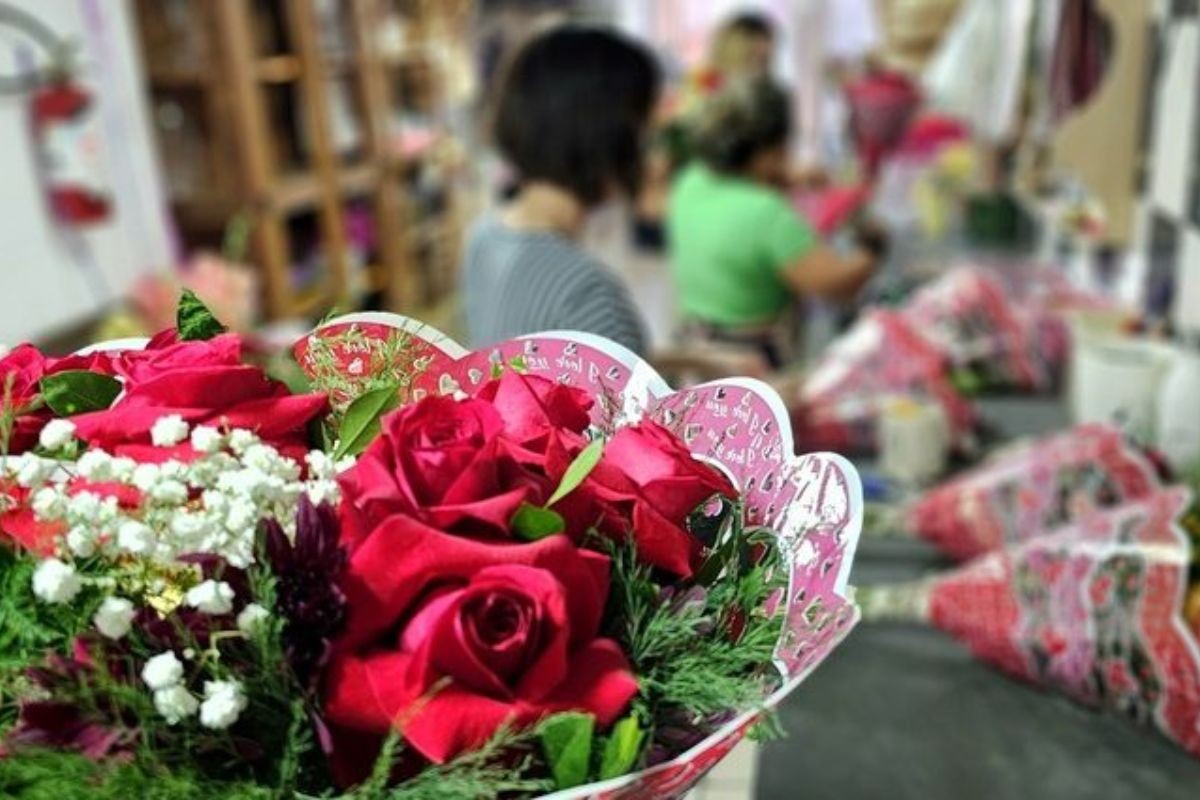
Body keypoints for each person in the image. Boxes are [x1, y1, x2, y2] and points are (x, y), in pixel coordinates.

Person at [461, 25, 656, 355]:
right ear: (612, 136)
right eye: (644, 131)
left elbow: (548, 361)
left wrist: (698, 358)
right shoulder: (588, 296)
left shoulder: (483, 238)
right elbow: (624, 389)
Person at [667, 78, 883, 367]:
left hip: (694, 346)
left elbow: (745, 186)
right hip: (751, 360)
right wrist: (873, 248)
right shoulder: (766, 214)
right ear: (767, 151)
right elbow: (837, 284)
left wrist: (791, 178)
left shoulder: (691, 180)